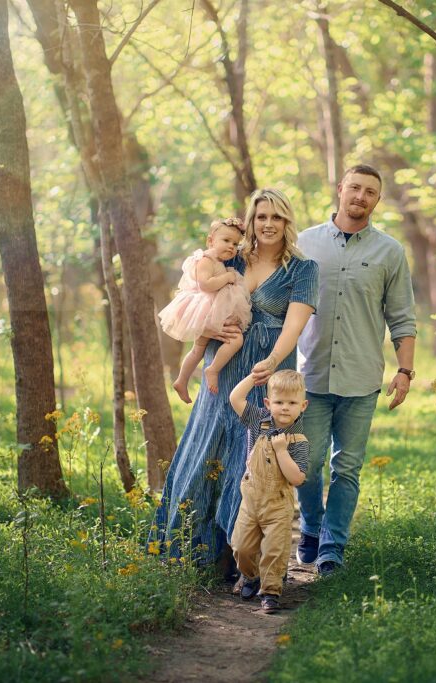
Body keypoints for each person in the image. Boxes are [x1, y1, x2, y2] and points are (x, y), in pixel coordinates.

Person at [152, 189, 319, 570]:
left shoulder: (304, 270)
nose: (268, 224)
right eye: (261, 216)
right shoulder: (234, 259)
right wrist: (211, 326)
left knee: (255, 452)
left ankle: (244, 561)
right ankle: (191, 551)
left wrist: (273, 361)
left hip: (267, 368)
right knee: (209, 443)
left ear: (287, 222)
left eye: (276, 217)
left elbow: (295, 325)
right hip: (222, 363)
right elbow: (197, 292)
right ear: (252, 221)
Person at [295, 164, 417, 575]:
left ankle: (332, 547)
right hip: (309, 376)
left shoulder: (390, 252)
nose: (361, 197)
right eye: (355, 188)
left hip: (361, 378)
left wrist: (405, 371)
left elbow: (402, 317)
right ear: (340, 190)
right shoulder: (304, 243)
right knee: (306, 464)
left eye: (370, 192)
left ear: (377, 201)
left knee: (346, 467)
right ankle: (311, 527)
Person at [228, 369, 309, 614]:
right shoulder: (258, 419)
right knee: (241, 547)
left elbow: (297, 479)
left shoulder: (298, 440)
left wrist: (282, 451)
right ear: (268, 403)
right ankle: (251, 576)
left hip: (278, 503)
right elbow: (235, 399)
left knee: (275, 550)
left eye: (292, 403)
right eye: (279, 402)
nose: (285, 408)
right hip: (251, 499)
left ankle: (271, 592)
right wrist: (254, 377)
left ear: (303, 406)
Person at [158, 217, 252, 402]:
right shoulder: (206, 260)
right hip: (205, 311)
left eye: (235, 243)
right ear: (210, 241)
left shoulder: (218, 261)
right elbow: (205, 285)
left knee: (198, 349)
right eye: (226, 241)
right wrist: (227, 278)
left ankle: (182, 380)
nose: (231, 247)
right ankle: (211, 370)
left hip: (213, 310)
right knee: (232, 340)